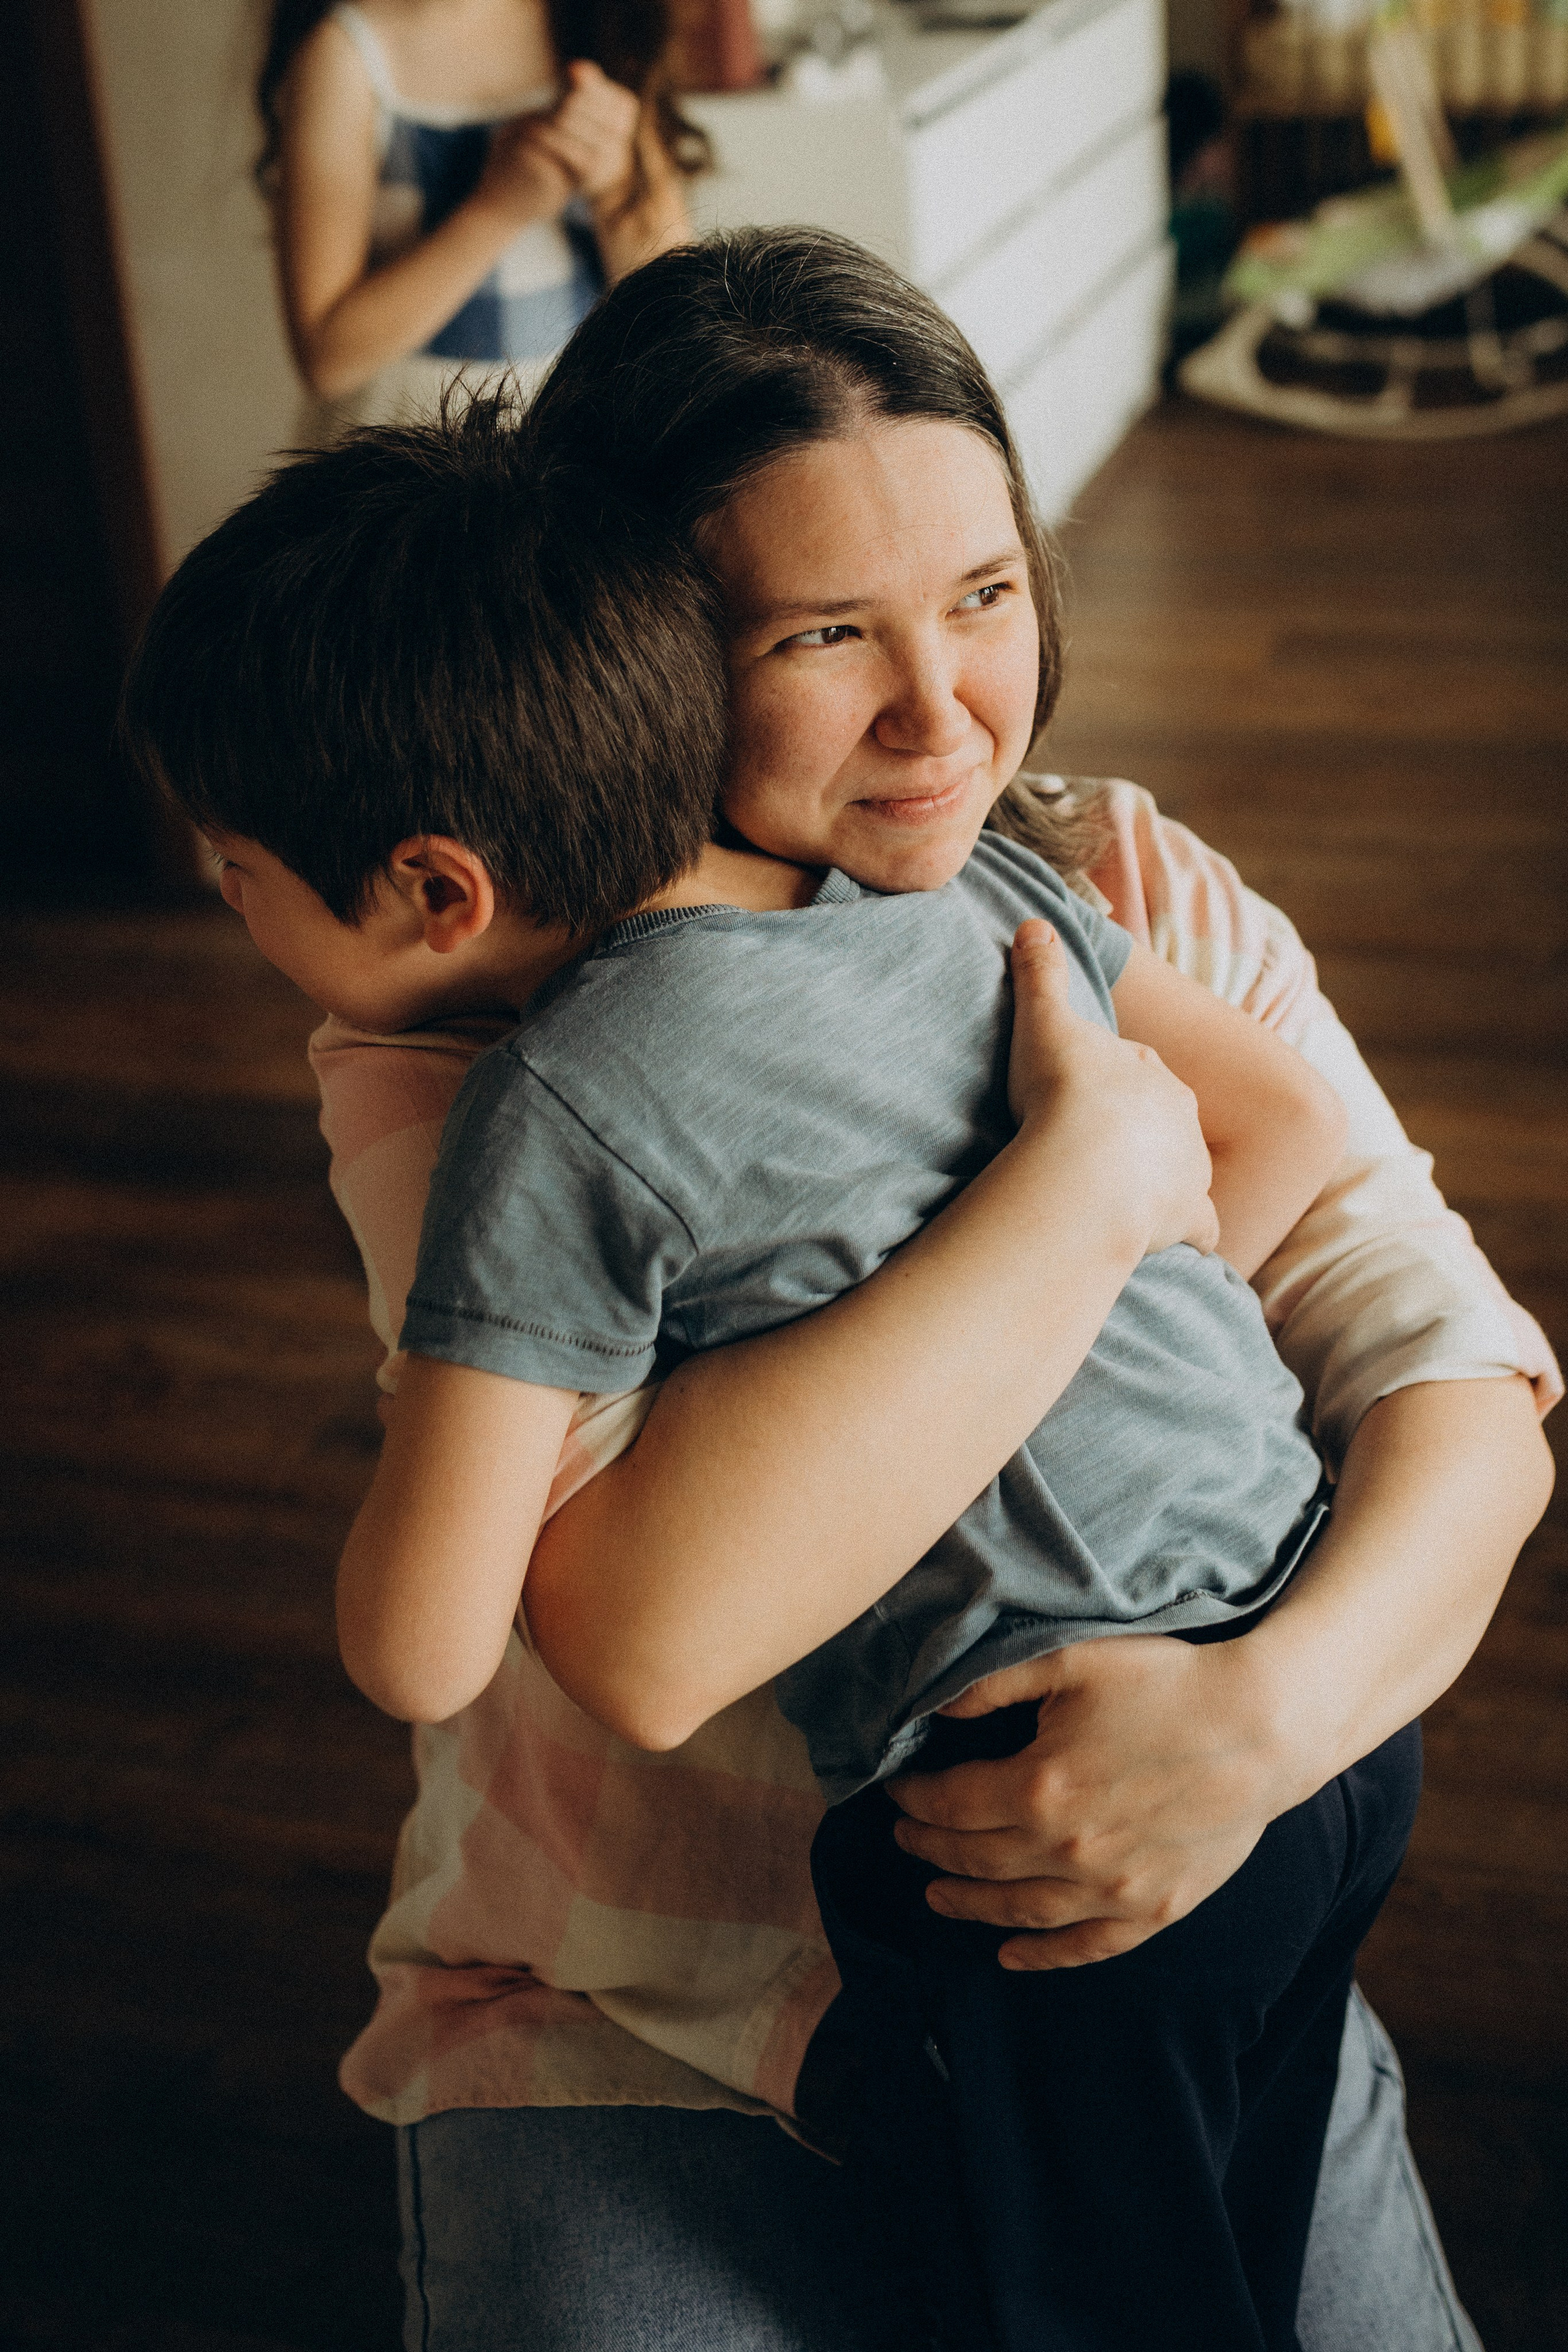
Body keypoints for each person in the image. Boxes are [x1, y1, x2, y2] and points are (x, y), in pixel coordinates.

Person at [125, 237, 1558, 2350]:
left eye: (986, 594)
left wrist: (1246, 1711)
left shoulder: (1070, 872)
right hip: (643, 1995)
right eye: (822, 633)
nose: (942, 712)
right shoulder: (452, 1059)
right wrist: (1069, 1206)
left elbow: (1452, 1362)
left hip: (1177, 1840)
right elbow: (649, 1628)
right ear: (639, 649)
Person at [255, 0, 701, 428]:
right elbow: (326, 359)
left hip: (574, 463)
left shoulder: (603, 27)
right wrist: (498, 211)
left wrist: (613, 186)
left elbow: (676, 313)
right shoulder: (345, 52)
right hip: (400, 466)